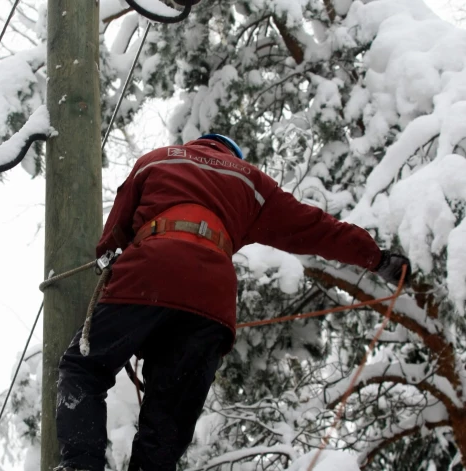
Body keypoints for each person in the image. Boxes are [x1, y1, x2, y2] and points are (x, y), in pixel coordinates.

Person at [54, 134, 411, 471]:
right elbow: (317, 229)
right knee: (166, 421)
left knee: (84, 369)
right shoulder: (252, 183)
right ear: (233, 156)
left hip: (148, 270)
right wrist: (377, 259)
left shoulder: (157, 160)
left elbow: (114, 235)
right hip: (210, 296)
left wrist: (115, 274)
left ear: (197, 145)